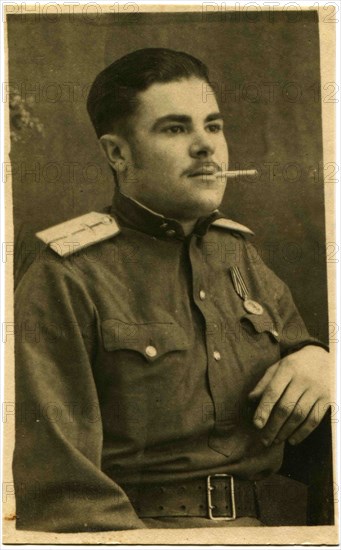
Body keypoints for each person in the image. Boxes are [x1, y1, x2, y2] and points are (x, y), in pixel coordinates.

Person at [13, 48, 330, 532]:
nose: (206, 147)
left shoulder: (238, 254)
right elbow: (65, 494)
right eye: (176, 128)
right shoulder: (67, 274)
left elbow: (313, 427)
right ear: (118, 153)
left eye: (214, 126)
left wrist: (321, 359)